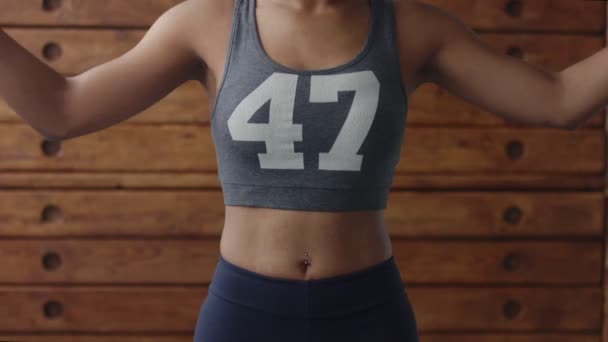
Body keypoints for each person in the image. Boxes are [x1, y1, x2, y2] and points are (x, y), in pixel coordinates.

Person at [1, 0, 605, 341]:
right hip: (245, 311)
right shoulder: (205, 24)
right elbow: (62, 108)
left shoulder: (413, 28)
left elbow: (558, 100)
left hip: (367, 312)